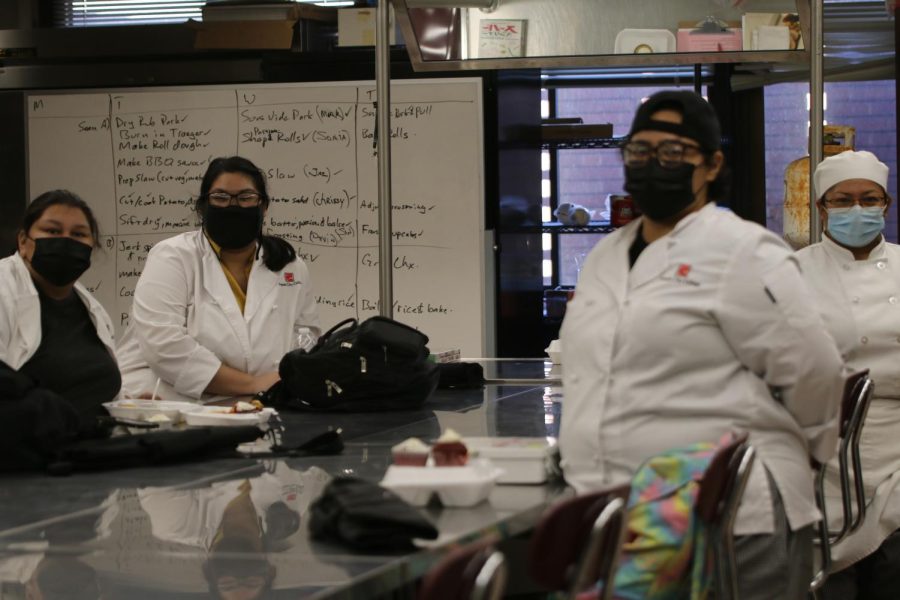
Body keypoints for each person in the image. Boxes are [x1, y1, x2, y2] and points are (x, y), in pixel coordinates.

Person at [558, 90, 844, 599]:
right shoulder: (606, 254)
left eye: (672, 153)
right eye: (639, 152)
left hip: (734, 518)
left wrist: (806, 456)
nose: (652, 166)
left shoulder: (742, 250)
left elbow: (815, 372)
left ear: (711, 164)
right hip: (629, 517)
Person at [117, 156, 321, 401]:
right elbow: (164, 345)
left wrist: (291, 368)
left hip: (258, 403)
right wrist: (253, 383)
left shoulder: (290, 265)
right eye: (221, 198)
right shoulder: (172, 257)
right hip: (171, 403)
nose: (233, 207)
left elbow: (306, 331)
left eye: (246, 198)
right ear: (203, 206)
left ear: (263, 206)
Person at [794, 150, 900, 599]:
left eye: (869, 199)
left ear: (886, 205)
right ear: (821, 208)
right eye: (842, 200)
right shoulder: (790, 275)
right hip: (823, 454)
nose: (857, 209)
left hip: (898, 448)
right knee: (832, 584)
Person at [0, 190, 120, 421]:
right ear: (23, 242)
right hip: (26, 450)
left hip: (95, 444)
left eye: (78, 234)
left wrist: (128, 404)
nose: (66, 240)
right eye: (52, 231)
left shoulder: (91, 308)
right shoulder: (4, 290)